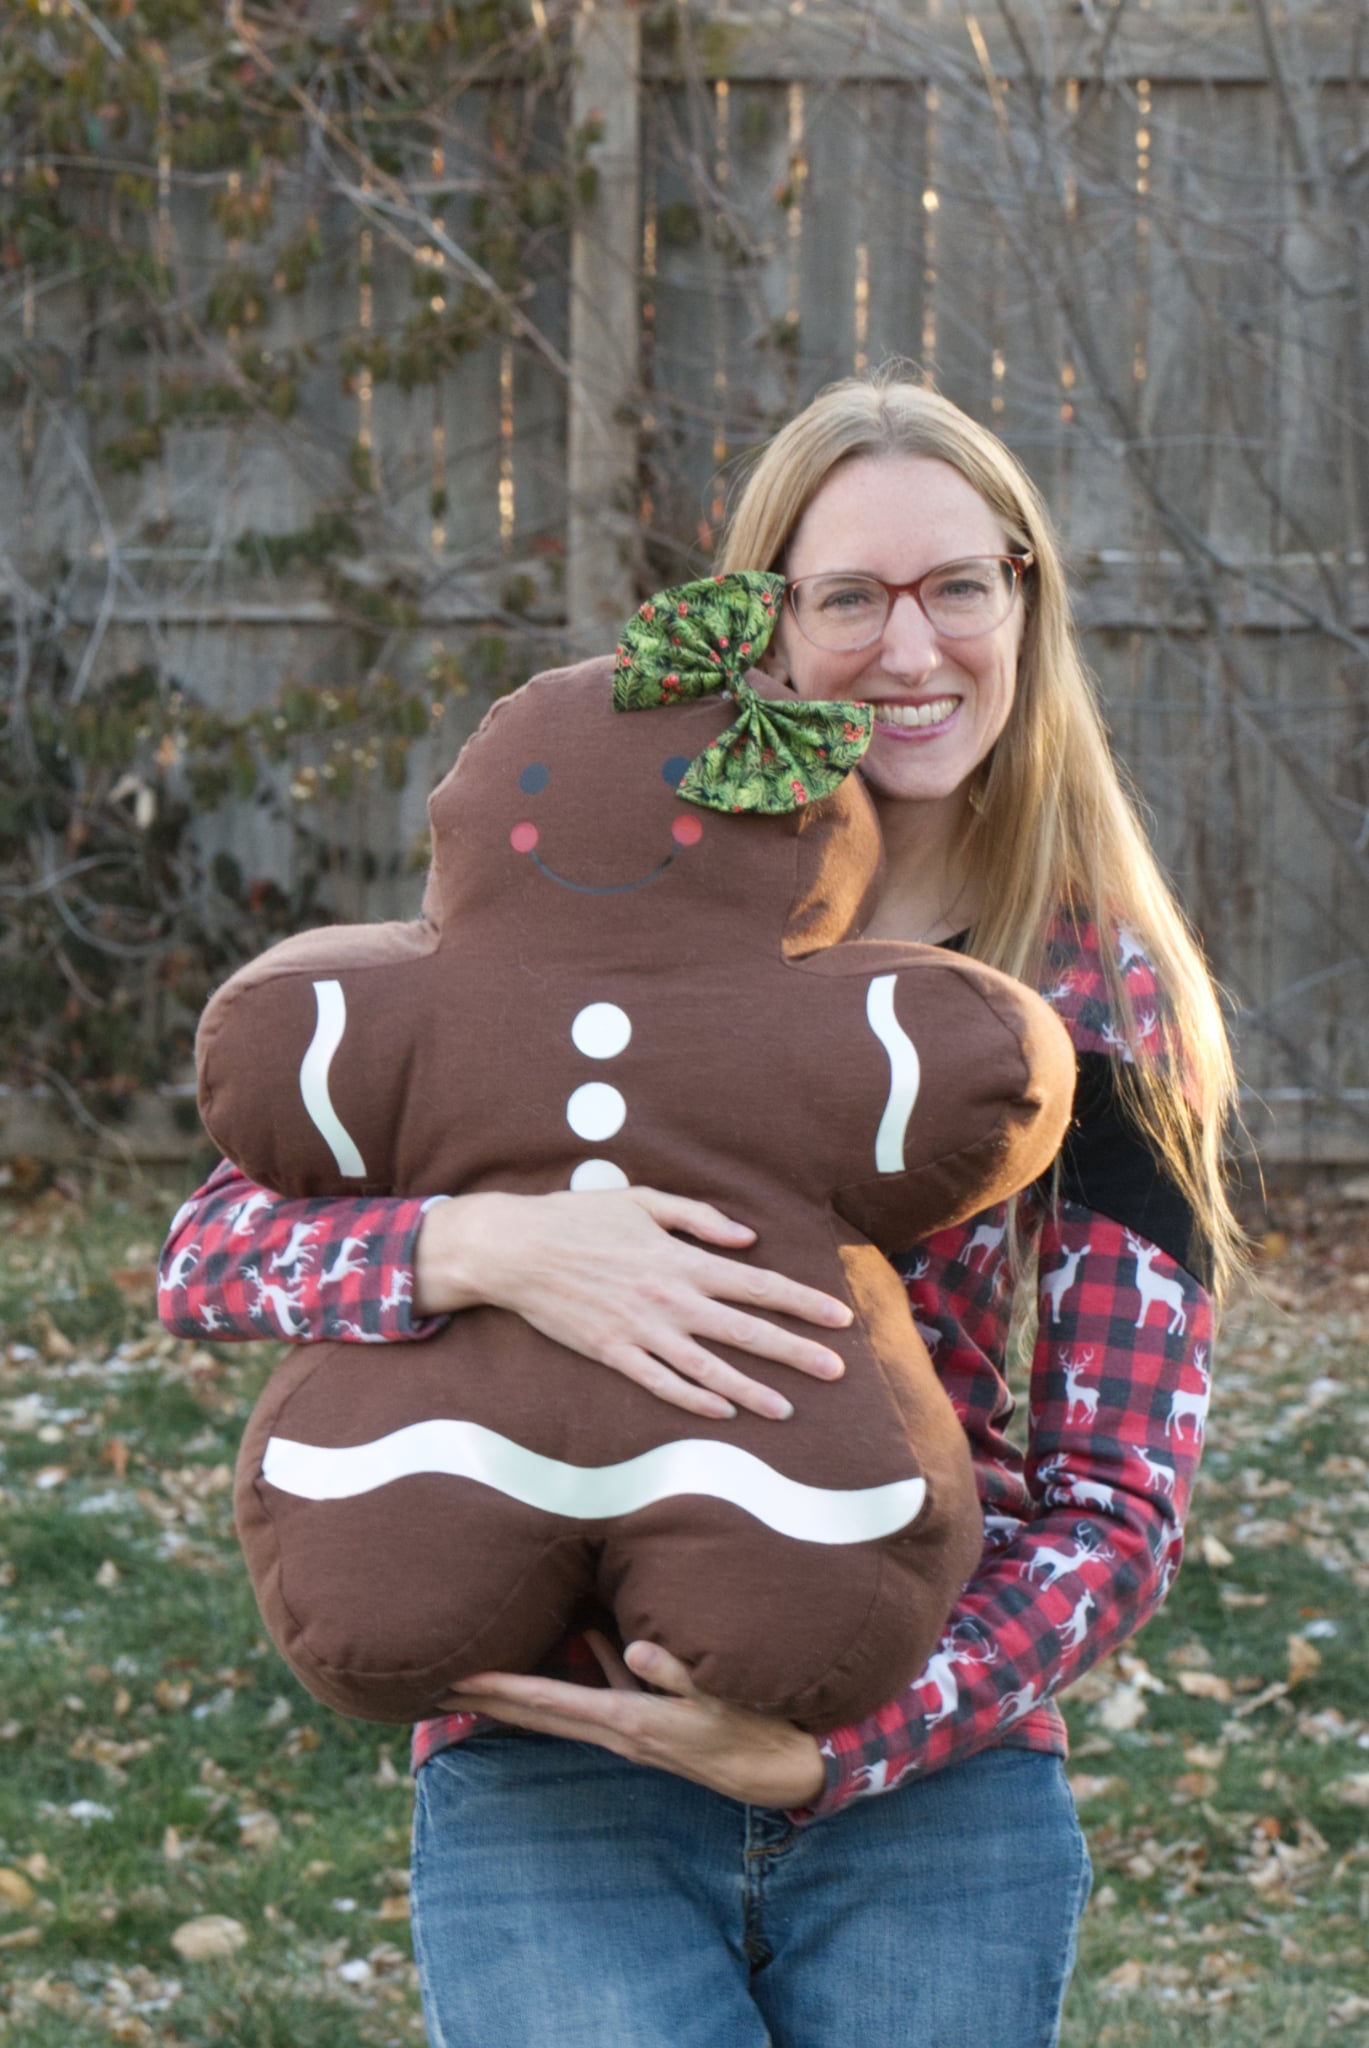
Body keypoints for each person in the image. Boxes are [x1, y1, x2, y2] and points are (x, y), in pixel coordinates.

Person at [159, 367, 1241, 2048]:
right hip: (557, 1772)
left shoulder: (1095, 991)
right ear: (764, 624)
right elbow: (210, 1252)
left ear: (1024, 597)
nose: (909, 647)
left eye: (960, 584)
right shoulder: (590, 891)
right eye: (847, 597)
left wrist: (840, 1748)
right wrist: (477, 1247)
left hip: (926, 1792)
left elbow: (1118, 1493)